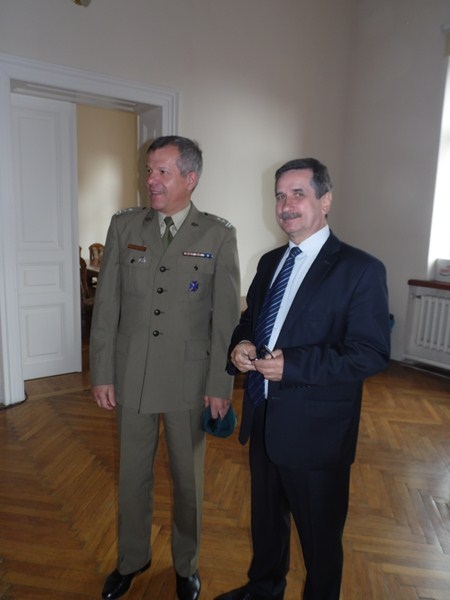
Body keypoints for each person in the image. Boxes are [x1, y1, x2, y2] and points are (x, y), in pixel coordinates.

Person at [215, 158, 390, 600]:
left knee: (320, 542)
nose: (286, 205)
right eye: (280, 195)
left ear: (325, 201)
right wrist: (240, 345)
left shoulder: (360, 269)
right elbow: (251, 321)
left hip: (317, 434)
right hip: (263, 417)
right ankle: (263, 588)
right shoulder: (270, 261)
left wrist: (293, 365)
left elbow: (370, 352)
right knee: (266, 524)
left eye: (298, 193)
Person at [90, 135, 240, 600]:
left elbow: (226, 321)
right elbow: (107, 305)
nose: (151, 180)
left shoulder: (217, 234)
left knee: (188, 480)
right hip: (131, 374)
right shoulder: (125, 226)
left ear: (190, 178)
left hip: (188, 380)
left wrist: (220, 385)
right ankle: (132, 559)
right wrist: (102, 372)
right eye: (149, 171)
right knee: (131, 474)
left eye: (162, 172)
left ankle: (186, 564)